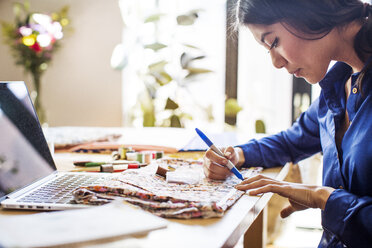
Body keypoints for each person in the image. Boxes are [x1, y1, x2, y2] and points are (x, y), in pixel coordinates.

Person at [203, 1, 372, 247]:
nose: (276, 63)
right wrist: (236, 155)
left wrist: (323, 198)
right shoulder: (337, 84)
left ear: (308, 10)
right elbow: (292, 141)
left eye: (274, 42)